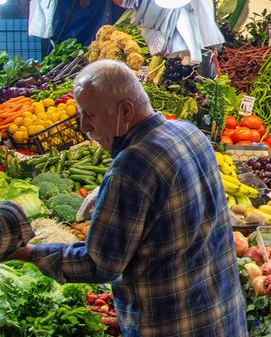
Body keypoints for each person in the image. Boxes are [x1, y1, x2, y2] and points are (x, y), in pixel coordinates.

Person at [3, 60, 247, 336]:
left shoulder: (131, 167)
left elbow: (99, 264)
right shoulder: (188, 132)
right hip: (222, 315)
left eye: (90, 115)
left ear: (126, 110)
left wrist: (27, 253)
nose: (83, 125)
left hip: (173, 325)